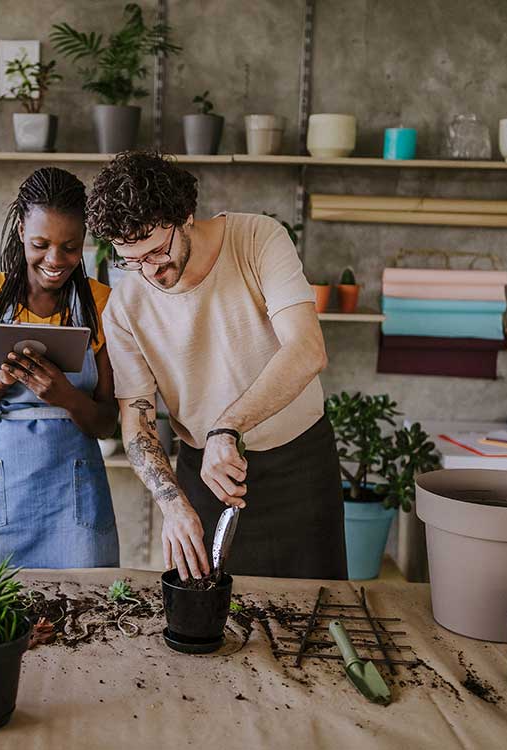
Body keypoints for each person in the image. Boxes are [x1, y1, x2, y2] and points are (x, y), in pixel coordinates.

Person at [88, 151, 345, 581]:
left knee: (313, 619)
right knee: (213, 621)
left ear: (185, 214)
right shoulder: (124, 309)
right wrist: (172, 504)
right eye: (129, 261)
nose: (148, 272)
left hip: (300, 468)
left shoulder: (258, 239)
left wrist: (228, 427)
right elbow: (138, 424)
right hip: (205, 479)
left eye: (155, 252)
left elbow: (307, 349)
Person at [0, 167, 120, 569]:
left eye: (71, 247)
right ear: (21, 230)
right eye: (41, 243)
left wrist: (66, 397)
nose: (55, 260)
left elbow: (107, 422)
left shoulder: (102, 303)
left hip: (73, 501)